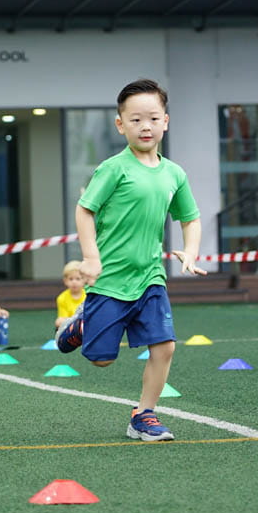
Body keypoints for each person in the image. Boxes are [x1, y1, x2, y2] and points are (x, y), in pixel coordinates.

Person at [54, 78, 206, 442]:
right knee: (102, 359)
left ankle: (144, 415)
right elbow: (84, 210)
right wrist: (91, 258)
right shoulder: (113, 169)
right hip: (110, 279)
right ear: (121, 125)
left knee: (165, 345)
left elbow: (191, 218)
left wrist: (190, 250)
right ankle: (80, 327)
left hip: (150, 275)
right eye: (135, 120)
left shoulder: (174, 173)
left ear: (165, 121)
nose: (145, 126)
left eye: (153, 118)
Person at [54, 260, 87, 330]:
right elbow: (62, 318)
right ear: (65, 281)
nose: (74, 282)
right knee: (58, 321)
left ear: (84, 280)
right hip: (70, 325)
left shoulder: (87, 295)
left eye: (78, 279)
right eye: (71, 279)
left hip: (85, 323)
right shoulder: (62, 298)